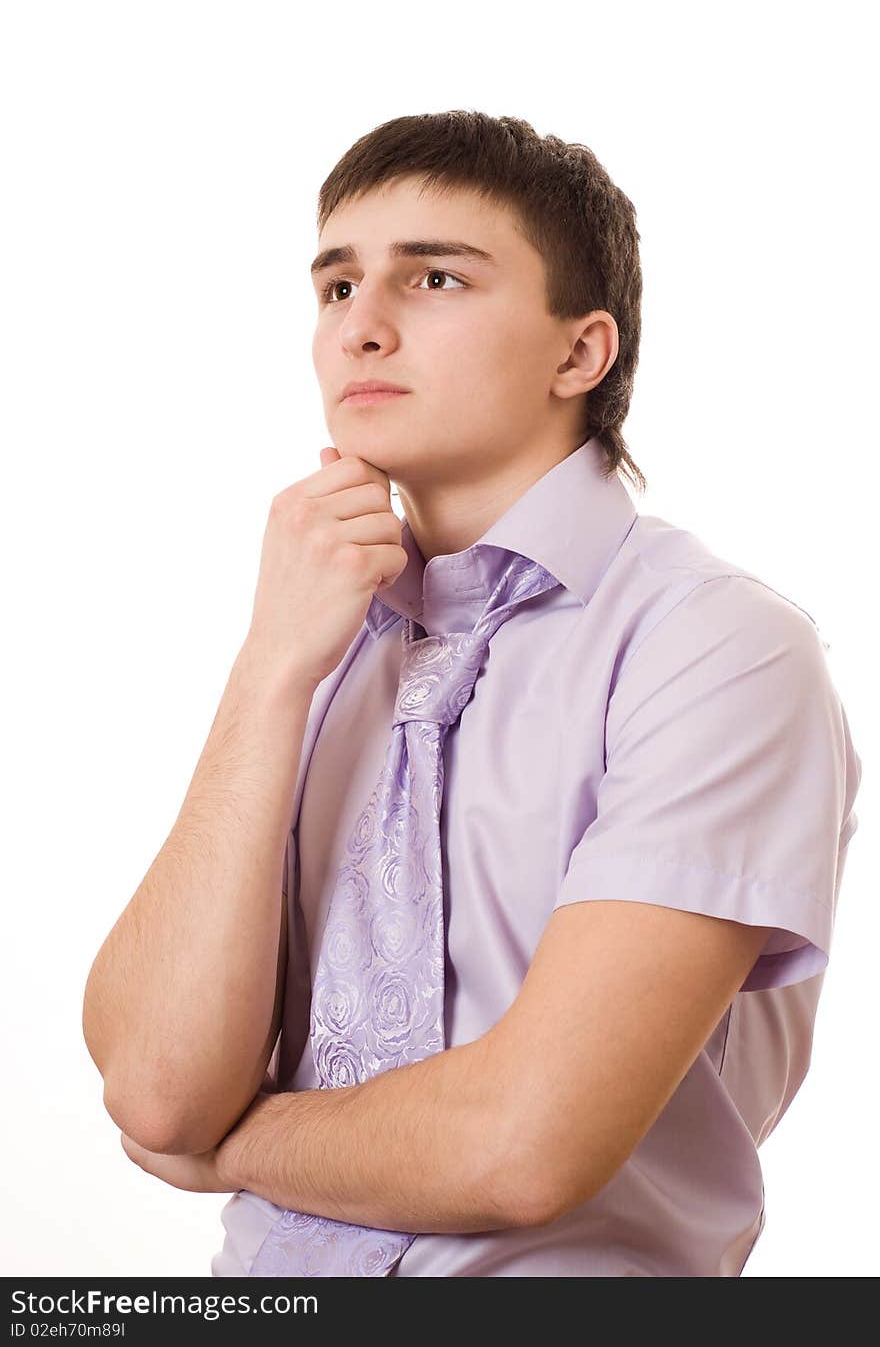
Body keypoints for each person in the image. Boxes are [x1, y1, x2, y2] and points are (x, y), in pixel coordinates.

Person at [83, 112, 862, 1278]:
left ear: (578, 352)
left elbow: (522, 1145)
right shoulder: (318, 636)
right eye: (336, 284)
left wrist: (232, 1142)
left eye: (434, 275)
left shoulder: (717, 648)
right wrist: (267, 668)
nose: (362, 326)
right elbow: (153, 1084)